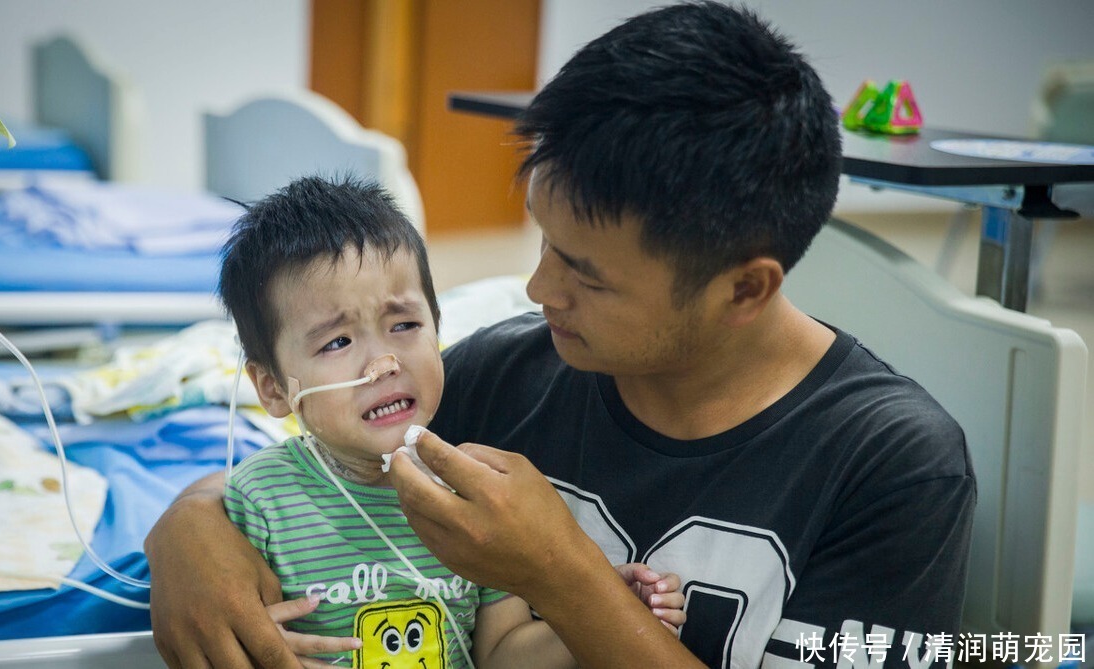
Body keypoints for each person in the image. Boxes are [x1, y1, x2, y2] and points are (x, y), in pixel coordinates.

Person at [145, 3, 976, 668]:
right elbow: (312, 461)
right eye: (543, 243)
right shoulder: (508, 374)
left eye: (587, 272)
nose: (540, 290)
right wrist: (186, 536)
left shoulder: (889, 466)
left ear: (743, 289)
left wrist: (560, 572)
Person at [173, 174, 683, 669]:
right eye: (337, 342)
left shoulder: (477, 500)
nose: (384, 363)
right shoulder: (260, 504)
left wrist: (607, 613)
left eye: (405, 325)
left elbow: (501, 654)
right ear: (274, 389)